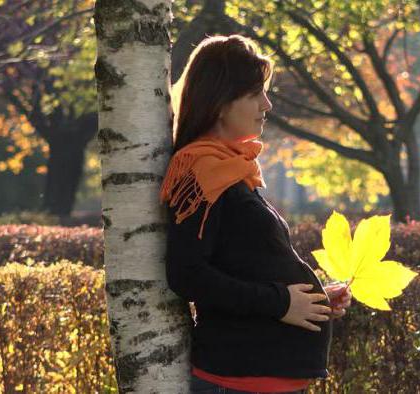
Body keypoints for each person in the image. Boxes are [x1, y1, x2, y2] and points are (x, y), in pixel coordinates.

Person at [160, 35, 352, 394]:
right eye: (254, 94)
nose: (267, 104)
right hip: (237, 381)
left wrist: (314, 300)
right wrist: (282, 303)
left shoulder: (232, 171)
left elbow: (244, 265)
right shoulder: (200, 172)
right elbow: (187, 273)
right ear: (220, 103)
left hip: (260, 380)